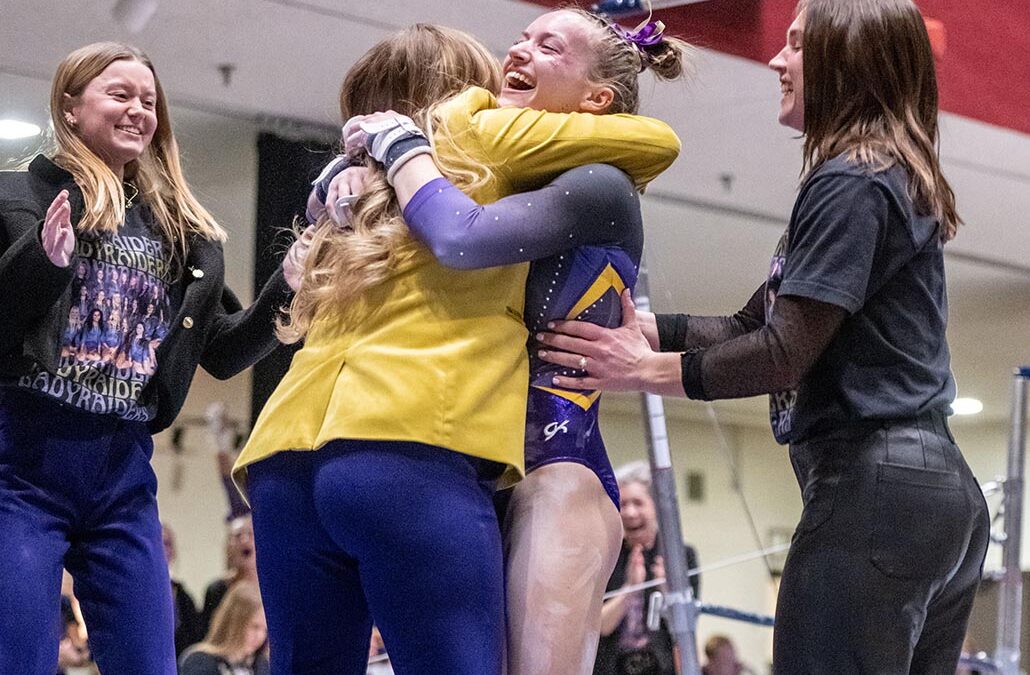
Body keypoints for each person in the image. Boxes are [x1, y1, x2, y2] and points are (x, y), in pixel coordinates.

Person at [538, 0, 990, 672]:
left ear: (849, 58)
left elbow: (782, 355)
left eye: (798, 45)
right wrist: (644, 331)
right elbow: (757, 323)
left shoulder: (852, 179)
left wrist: (643, 371)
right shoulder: (881, 171)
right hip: (935, 497)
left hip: (875, 488)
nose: (777, 60)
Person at [234, 19, 681, 675]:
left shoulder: (403, 182)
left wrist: (381, 158)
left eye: (546, 47)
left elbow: (251, 332)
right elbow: (653, 142)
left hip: (309, 458)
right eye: (515, 46)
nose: (517, 54)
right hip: (421, 450)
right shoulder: (461, 162)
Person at [0, 42, 292, 674]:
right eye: (120, 94)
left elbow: (222, 350)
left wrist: (288, 286)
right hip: (22, 467)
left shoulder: (181, 231)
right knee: (20, 657)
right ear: (70, 109)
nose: (138, 110)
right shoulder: (14, 198)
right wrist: (42, 264)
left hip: (123, 475)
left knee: (148, 661)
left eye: (149, 101)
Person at [593, 461, 698, 675]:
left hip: (662, 666)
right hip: (612, 667)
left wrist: (669, 590)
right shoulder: (606, 556)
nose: (630, 513)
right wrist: (631, 588)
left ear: (655, 506)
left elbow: (688, 624)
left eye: (638, 503)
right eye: (623, 504)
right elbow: (601, 626)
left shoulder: (680, 556)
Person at [178, 581, 269, 675]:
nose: (260, 636)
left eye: (265, 630)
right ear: (235, 622)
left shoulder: (262, 665)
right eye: (255, 627)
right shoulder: (199, 661)